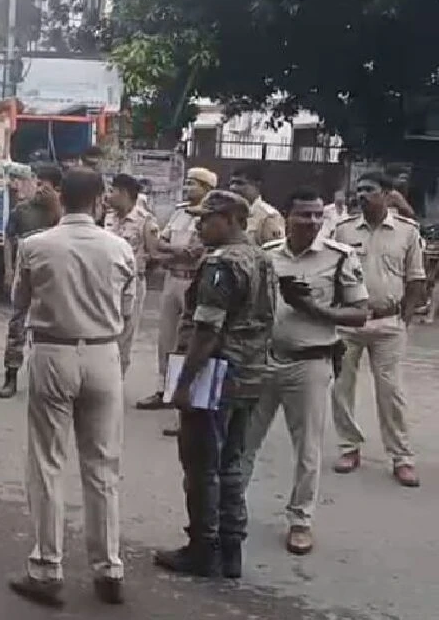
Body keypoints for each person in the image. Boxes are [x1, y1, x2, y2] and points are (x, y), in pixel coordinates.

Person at [6, 168, 135, 608]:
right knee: (102, 466)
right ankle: (109, 566)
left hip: (52, 352)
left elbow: (19, 302)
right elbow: (128, 309)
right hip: (103, 354)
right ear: (100, 200)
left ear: (61, 198)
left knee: (47, 462)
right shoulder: (120, 248)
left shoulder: (36, 245)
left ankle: (47, 566)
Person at [240, 190, 369, 556]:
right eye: (304, 216)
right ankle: (232, 508)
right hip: (266, 360)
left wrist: (313, 309)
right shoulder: (266, 256)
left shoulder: (340, 257)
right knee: (245, 440)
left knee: (308, 449)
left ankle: (300, 520)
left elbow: (360, 313)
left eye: (316, 215)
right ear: (287, 216)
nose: (312, 222)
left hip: (310, 363)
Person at [156, 190, 276, 580]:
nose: (199, 225)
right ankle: (231, 548)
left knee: (201, 465)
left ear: (230, 218)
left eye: (206, 219)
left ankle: (202, 548)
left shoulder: (221, 264)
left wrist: (183, 384)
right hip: (250, 373)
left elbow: (206, 331)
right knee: (232, 464)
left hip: (217, 374)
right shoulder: (261, 257)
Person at [329, 172, 426, 487]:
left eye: (369, 190)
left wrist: (404, 319)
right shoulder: (343, 231)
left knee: (391, 393)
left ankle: (401, 457)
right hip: (349, 323)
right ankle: (349, 447)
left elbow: (416, 279)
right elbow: (329, 275)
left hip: (388, 322)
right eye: (359, 190)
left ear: (387, 194)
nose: (362, 195)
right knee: (341, 388)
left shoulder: (407, 232)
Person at [135, 167, 214, 419]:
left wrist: (171, 251)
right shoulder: (179, 212)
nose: (188, 187)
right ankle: (163, 390)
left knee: (191, 340)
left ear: (207, 188)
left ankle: (187, 393)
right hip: (172, 280)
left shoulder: (211, 216)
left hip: (194, 282)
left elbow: (195, 253)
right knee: (166, 339)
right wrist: (174, 251)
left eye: (194, 184)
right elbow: (159, 244)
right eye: (188, 183)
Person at [0, 162, 63, 399]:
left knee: (50, 327)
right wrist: (7, 269)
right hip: (23, 273)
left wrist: (55, 208)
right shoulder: (22, 210)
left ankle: (45, 378)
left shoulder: (59, 213)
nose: (40, 189)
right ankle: (11, 376)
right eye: (38, 183)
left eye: (46, 186)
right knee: (17, 324)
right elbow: (9, 239)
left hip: (50, 277)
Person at [104, 173, 160, 375]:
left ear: (124, 193)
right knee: (105, 331)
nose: (109, 195)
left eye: (113, 191)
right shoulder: (108, 217)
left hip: (132, 285)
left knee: (125, 334)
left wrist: (138, 274)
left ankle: (117, 379)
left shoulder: (145, 221)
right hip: (106, 283)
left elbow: (155, 256)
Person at [229, 163, 284, 246]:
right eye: (232, 183)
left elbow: (273, 253)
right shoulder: (227, 212)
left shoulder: (268, 216)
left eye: (240, 183)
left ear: (257, 185)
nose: (233, 188)